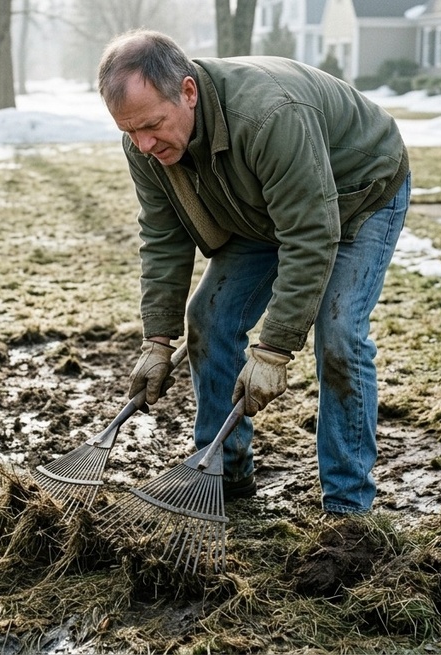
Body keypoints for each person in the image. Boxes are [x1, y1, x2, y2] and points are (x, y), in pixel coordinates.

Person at [98, 29, 409, 515]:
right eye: (130, 131)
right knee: (210, 317)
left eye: (152, 125)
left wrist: (274, 349)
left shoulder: (268, 115)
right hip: (263, 204)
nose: (142, 144)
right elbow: (163, 237)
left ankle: (348, 508)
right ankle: (223, 472)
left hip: (358, 193)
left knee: (339, 331)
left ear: (188, 91)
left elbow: (309, 234)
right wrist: (157, 341)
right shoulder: (146, 143)